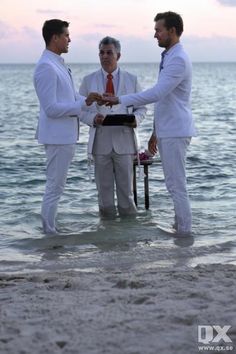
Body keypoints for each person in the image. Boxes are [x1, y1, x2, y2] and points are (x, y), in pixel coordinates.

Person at [102, 12, 197, 235]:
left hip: (176, 130)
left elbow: (157, 93)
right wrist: (155, 131)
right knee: (174, 185)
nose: (155, 34)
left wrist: (120, 99)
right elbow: (165, 99)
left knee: (176, 185)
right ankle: (180, 230)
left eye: (158, 30)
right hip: (168, 129)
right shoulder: (170, 57)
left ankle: (184, 234)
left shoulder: (178, 59)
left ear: (172, 31)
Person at [33, 19, 102, 234]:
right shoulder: (46, 66)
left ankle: (51, 229)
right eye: (66, 35)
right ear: (55, 38)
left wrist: (91, 109)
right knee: (54, 187)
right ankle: (49, 232)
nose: (69, 39)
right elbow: (51, 108)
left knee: (57, 186)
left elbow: (71, 98)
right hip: (57, 137)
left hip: (65, 137)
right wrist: (84, 102)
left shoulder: (58, 64)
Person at [79, 36, 146, 218]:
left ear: (119, 55)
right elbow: (80, 110)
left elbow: (142, 108)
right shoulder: (88, 80)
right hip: (100, 143)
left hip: (125, 143)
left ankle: (128, 239)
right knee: (104, 198)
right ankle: (107, 240)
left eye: (109, 52)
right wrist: (93, 118)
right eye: (101, 52)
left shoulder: (132, 80)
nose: (105, 56)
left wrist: (135, 120)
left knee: (127, 196)